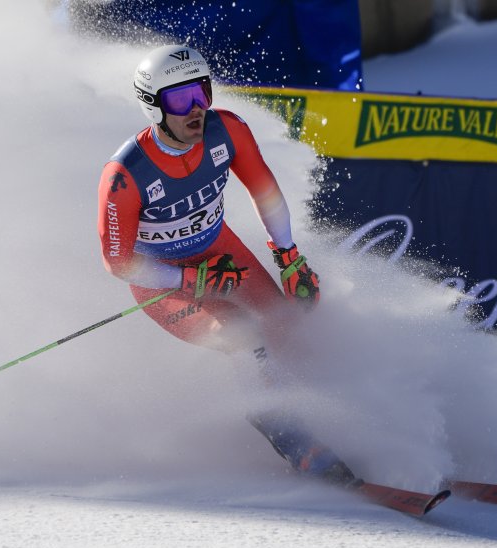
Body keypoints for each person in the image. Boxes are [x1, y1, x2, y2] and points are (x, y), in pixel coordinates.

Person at [97, 44, 354, 485]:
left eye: (202, 92)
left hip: (219, 251)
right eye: (180, 100)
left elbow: (264, 190)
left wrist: (289, 257)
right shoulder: (125, 175)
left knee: (291, 324)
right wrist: (189, 278)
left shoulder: (228, 130)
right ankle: (288, 435)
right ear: (153, 106)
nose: (196, 109)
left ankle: (336, 423)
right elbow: (118, 263)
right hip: (162, 278)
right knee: (242, 335)